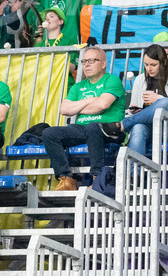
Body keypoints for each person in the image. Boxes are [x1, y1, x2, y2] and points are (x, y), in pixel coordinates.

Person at [42, 47, 125, 192]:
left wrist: (78, 106)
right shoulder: (78, 86)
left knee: (93, 126)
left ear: (103, 64)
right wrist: (90, 100)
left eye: (92, 61)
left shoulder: (112, 80)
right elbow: (64, 110)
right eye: (84, 61)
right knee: (49, 133)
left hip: (108, 128)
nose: (86, 64)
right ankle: (66, 179)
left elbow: (102, 105)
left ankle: (97, 177)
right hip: (82, 128)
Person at [100, 45, 168, 159]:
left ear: (164, 62)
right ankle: (133, 174)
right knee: (138, 128)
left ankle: (123, 124)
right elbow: (132, 109)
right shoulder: (140, 80)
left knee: (165, 102)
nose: (149, 68)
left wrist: (158, 99)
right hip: (149, 127)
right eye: (146, 65)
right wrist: (134, 110)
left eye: (153, 65)